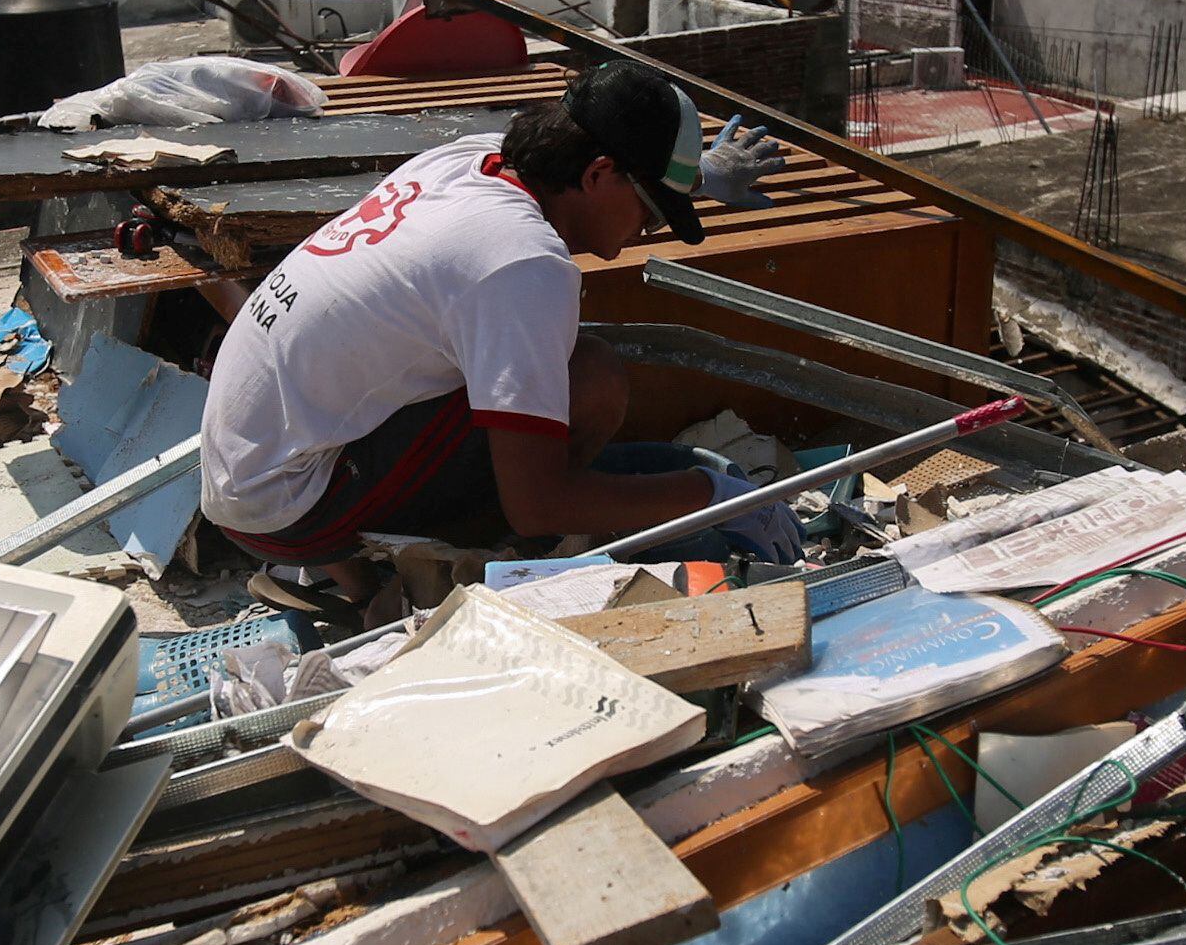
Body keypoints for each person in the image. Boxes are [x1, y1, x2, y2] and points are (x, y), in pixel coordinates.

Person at [199, 62, 793, 608]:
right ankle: (470, 567)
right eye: (651, 212)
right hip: (286, 508)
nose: (645, 231)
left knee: (557, 371)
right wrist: (710, 494)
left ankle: (357, 565)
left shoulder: (468, 161)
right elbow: (537, 504)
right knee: (591, 379)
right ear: (598, 173)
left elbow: (597, 149)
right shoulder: (521, 262)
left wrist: (693, 174)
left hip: (249, 464)